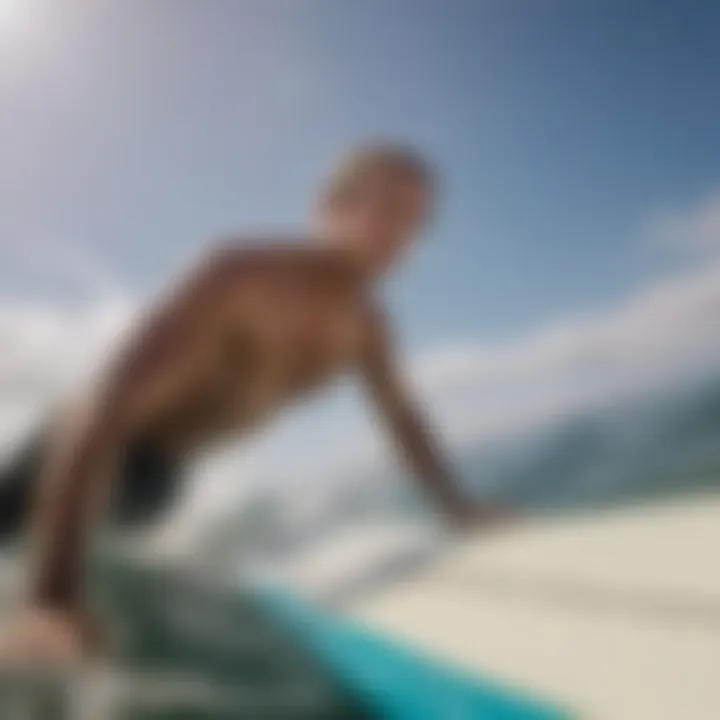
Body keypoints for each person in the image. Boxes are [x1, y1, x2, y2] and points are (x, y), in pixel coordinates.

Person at [0, 143, 501, 662]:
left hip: (160, 479)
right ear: (329, 207)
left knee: (113, 619)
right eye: (387, 208)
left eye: (416, 223)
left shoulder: (368, 329)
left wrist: (458, 509)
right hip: (81, 442)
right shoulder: (240, 274)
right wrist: (52, 596)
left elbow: (405, 422)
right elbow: (106, 400)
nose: (400, 234)